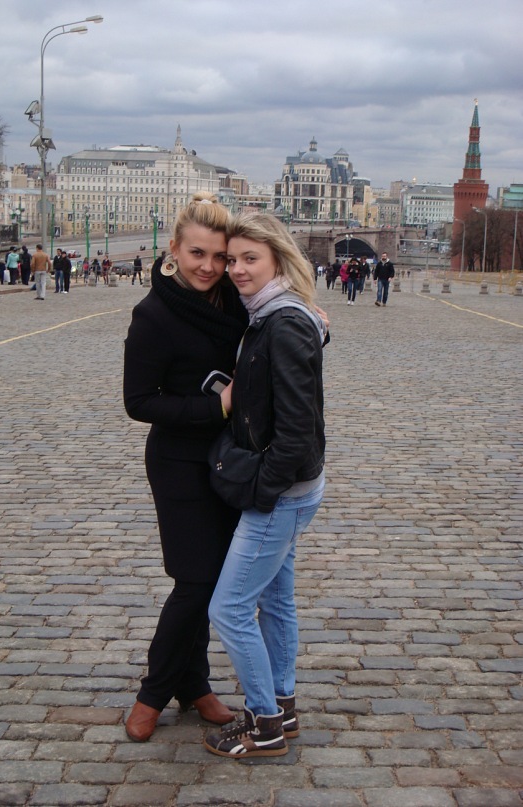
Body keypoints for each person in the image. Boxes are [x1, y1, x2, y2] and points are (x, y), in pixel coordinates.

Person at [123, 193, 249, 743]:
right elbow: (138, 401)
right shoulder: (153, 314)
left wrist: (312, 316)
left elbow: (277, 315)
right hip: (178, 461)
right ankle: (153, 693)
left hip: (231, 460)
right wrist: (214, 407)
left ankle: (195, 685)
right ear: (174, 249)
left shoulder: (236, 299)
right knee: (195, 580)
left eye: (220, 256)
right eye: (198, 253)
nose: (209, 266)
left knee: (213, 579)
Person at [205, 213, 327, 759]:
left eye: (249, 258)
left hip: (282, 492)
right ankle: (283, 703)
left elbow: (298, 430)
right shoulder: (273, 313)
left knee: (229, 608)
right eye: (232, 259)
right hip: (292, 489)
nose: (236, 269)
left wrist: (262, 491)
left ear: (278, 257)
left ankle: (264, 724)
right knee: (276, 600)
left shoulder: (284, 322)